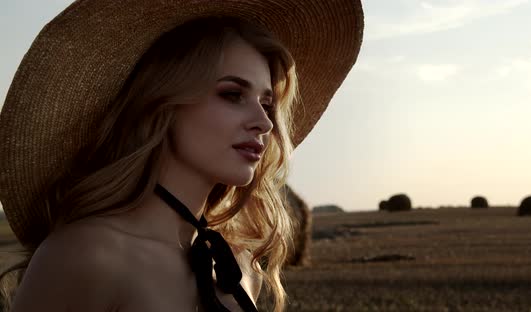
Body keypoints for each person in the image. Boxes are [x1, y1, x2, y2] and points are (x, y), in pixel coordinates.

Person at [0, 0, 363, 311]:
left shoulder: (237, 268)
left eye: (267, 104)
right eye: (232, 94)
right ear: (162, 104)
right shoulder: (86, 256)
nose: (264, 122)